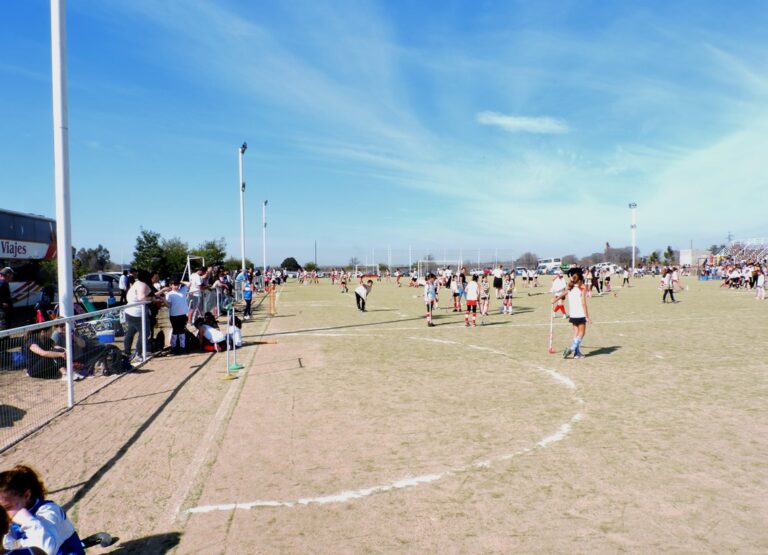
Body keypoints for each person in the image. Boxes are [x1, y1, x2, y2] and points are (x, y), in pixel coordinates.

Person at [0, 464, 84, 555]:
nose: (3, 512)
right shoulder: (9, 516)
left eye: (7, 507)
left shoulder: (48, 511)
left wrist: (29, 521)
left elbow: (47, 550)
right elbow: (8, 545)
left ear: (26, 495)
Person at [553, 268, 591, 359]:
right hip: (580, 314)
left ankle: (577, 353)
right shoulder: (582, 288)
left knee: (576, 333)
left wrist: (555, 300)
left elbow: (562, 294)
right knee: (581, 333)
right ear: (581, 279)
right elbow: (583, 303)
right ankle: (572, 348)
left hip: (573, 314)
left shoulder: (569, 287)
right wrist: (587, 316)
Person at [123, 270, 152, 362]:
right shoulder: (142, 285)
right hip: (137, 313)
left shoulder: (136, 283)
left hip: (129, 312)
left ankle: (127, 352)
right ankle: (138, 353)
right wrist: (152, 299)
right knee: (145, 332)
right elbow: (141, 298)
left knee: (131, 331)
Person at [0, 267, 14, 332]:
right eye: (12, 274)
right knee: (4, 330)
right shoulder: (2, 283)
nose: (12, 276)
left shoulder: (5, 283)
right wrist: (2, 304)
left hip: (6, 312)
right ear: (7, 274)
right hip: (3, 312)